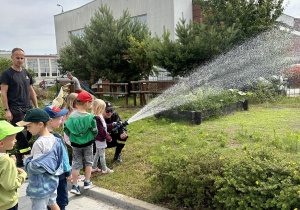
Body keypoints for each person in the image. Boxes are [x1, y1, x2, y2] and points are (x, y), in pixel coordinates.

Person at [16, 108, 63, 210]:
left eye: (29, 126)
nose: (27, 129)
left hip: (40, 187)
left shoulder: (39, 143)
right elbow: (56, 161)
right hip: (52, 182)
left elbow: (35, 167)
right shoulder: (56, 140)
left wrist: (27, 161)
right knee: (52, 203)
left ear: (40, 124)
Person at [0, 48, 39, 167]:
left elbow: (32, 91)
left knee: (29, 133)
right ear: (12, 57)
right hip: (15, 108)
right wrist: (7, 110)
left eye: (22, 58)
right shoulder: (7, 74)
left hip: (28, 107)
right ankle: (25, 160)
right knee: (21, 134)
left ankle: (19, 156)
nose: (20, 60)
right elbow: (3, 93)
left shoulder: (26, 73)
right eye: (17, 57)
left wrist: (36, 107)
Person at [64, 92, 98, 195]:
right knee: (88, 162)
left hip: (75, 144)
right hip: (88, 143)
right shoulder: (90, 117)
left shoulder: (71, 116)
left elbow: (66, 129)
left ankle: (75, 186)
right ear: (87, 103)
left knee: (75, 164)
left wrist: (74, 137)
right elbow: (95, 130)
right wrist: (91, 136)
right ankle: (87, 182)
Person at [43, 105, 72, 210]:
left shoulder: (40, 136)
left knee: (49, 201)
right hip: (60, 176)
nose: (61, 120)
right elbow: (63, 157)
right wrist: (68, 172)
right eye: (59, 118)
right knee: (61, 200)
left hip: (48, 176)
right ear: (50, 120)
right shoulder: (57, 137)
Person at [0, 121, 27, 210]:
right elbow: (10, 185)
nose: (15, 140)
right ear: (1, 143)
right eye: (13, 139)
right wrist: (23, 175)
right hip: (7, 204)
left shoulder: (6, 160)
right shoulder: (7, 161)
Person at [91, 99, 114, 174]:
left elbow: (104, 127)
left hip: (100, 139)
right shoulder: (97, 118)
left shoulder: (99, 116)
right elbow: (101, 131)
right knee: (102, 155)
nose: (104, 110)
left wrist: (112, 125)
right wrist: (108, 137)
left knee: (98, 153)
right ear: (99, 108)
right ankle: (104, 169)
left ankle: (94, 167)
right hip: (100, 139)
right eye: (103, 108)